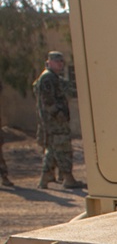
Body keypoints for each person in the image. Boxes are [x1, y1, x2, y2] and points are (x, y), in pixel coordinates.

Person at [33, 51, 83, 190]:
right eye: (57, 61)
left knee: (53, 148)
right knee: (63, 148)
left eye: (61, 61)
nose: (60, 64)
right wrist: (58, 115)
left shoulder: (53, 77)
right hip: (55, 120)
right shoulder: (48, 78)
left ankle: (46, 177)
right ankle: (67, 177)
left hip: (53, 120)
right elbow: (47, 100)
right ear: (49, 62)